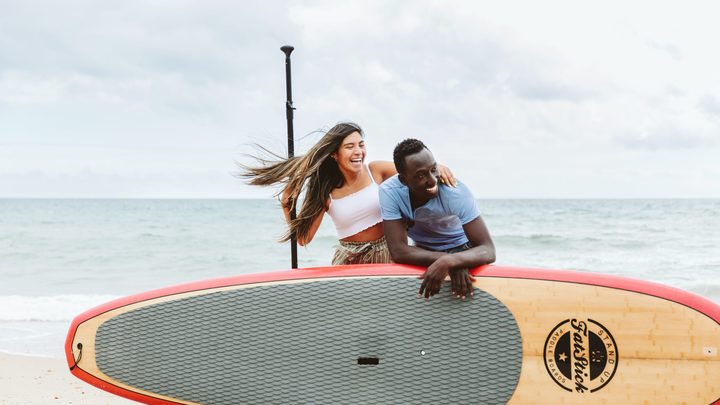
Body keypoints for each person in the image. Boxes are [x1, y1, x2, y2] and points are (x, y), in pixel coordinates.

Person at [238, 122, 457, 265]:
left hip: (389, 253)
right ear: (335, 153)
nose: (358, 152)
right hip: (350, 260)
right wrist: (287, 204)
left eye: (361, 145)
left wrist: (438, 167)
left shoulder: (376, 171)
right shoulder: (326, 192)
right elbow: (304, 239)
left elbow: (416, 172)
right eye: (350, 146)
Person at [379, 138, 495, 299]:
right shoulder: (389, 192)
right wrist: (446, 260)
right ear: (404, 180)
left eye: (433, 169)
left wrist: (454, 260)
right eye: (420, 175)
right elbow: (398, 251)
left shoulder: (455, 192)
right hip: (423, 250)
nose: (432, 180)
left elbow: (488, 249)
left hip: (464, 248)